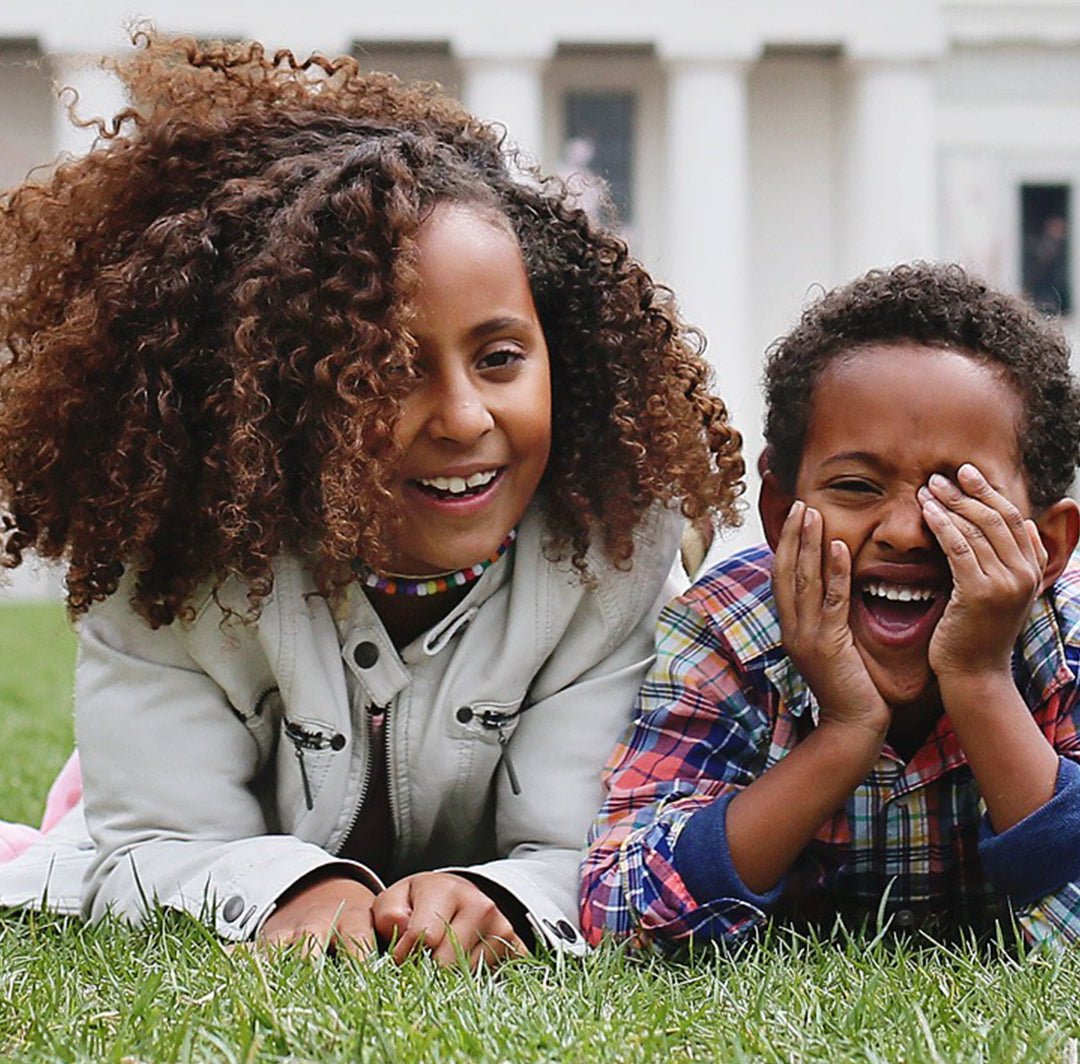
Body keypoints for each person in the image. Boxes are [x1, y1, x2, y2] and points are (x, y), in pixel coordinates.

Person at [0, 32, 743, 968]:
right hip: (175, 814)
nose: (464, 416)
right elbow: (152, 848)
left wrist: (499, 898)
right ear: (264, 394)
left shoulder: (608, 555)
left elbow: (589, 849)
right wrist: (293, 889)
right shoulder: (170, 562)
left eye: (501, 356)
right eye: (385, 372)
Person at [581, 262, 1080, 951]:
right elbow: (618, 910)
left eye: (956, 494)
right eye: (854, 486)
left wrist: (981, 681)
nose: (904, 531)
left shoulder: (1068, 648)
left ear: (1048, 544)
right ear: (783, 514)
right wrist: (844, 732)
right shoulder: (725, 636)